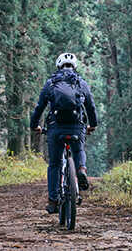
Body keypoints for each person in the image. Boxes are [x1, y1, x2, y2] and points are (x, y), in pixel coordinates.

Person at [30, 52, 98, 214]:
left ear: (59, 65)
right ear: (74, 66)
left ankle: (53, 200)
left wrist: (35, 126)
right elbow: (91, 106)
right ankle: (81, 168)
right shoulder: (81, 83)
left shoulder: (51, 83)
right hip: (76, 126)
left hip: (56, 127)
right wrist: (92, 125)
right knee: (78, 150)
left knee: (55, 164)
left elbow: (39, 107)